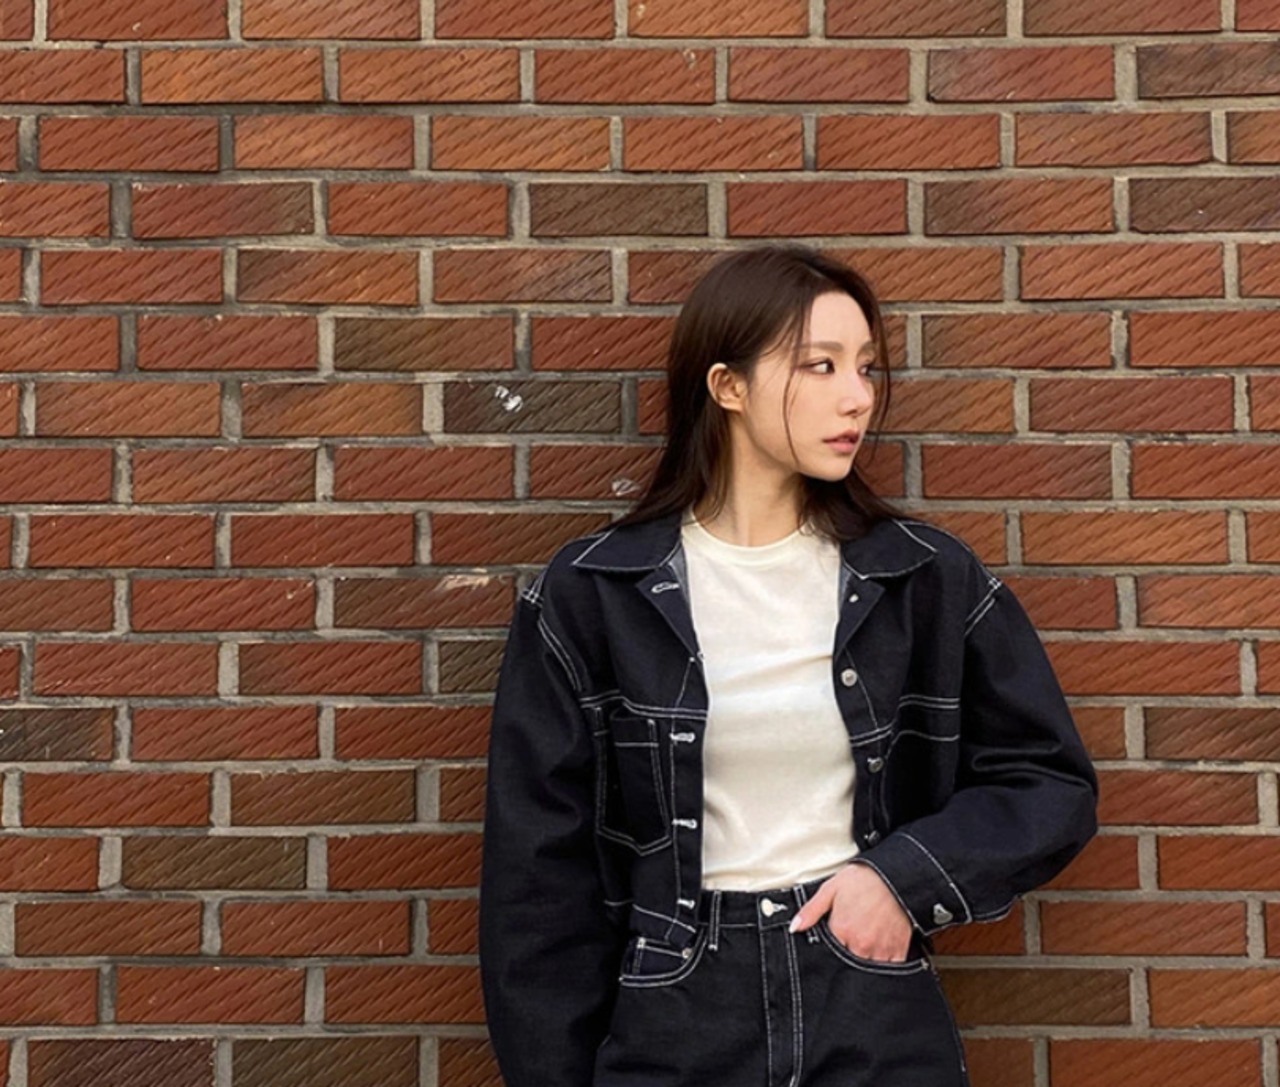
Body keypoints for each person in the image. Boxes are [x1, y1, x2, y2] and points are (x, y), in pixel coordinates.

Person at [478, 243, 1099, 1087]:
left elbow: (1049, 780)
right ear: (727, 386)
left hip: (866, 995)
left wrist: (900, 879)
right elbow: (536, 886)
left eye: (866, 367)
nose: (858, 396)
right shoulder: (593, 596)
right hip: (679, 1008)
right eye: (820, 365)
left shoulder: (921, 579)